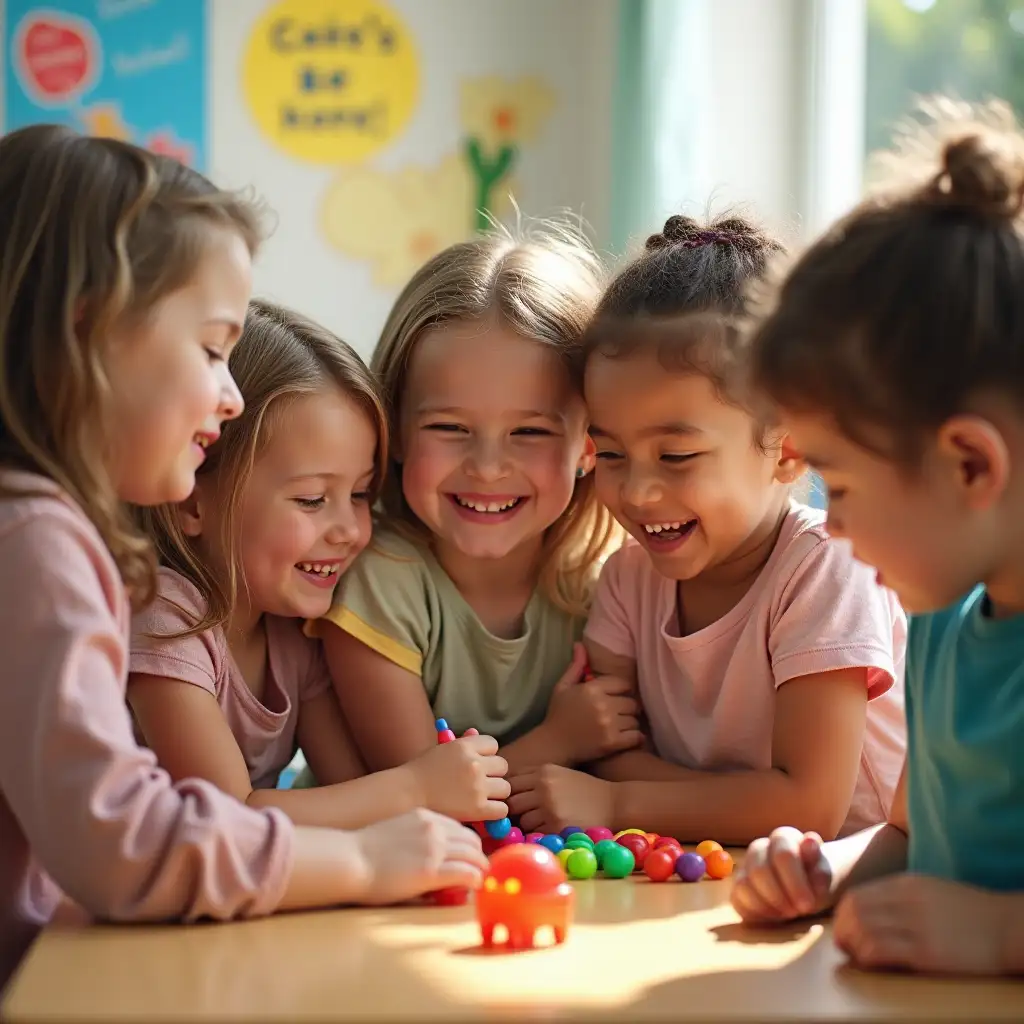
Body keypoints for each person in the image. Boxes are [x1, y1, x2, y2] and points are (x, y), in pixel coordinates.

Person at [0, 126, 486, 990]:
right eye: (212, 347)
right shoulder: (36, 544)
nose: (227, 399)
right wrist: (363, 863)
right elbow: (124, 843)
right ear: (91, 332)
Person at [731, 98, 1024, 976]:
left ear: (969, 465)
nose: (836, 523)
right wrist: (826, 871)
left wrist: (1002, 938)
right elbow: (904, 839)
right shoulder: (935, 626)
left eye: (843, 486)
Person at [509, 214, 906, 844]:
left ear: (787, 448)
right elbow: (605, 748)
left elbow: (810, 806)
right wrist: (634, 789)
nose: (636, 493)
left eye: (676, 457)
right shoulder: (626, 577)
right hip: (710, 870)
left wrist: (616, 804)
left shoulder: (827, 569)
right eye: (609, 454)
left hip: (850, 883)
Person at [130, 299, 509, 829]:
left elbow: (351, 791)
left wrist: (441, 787)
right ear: (193, 501)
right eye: (311, 499)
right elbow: (231, 819)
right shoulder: (164, 618)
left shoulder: (295, 635)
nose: (350, 530)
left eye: (360, 494)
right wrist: (419, 786)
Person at [305, 226, 630, 784]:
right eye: (450, 427)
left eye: (529, 432)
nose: (486, 467)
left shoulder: (607, 586)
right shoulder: (381, 582)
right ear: (395, 432)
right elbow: (421, 791)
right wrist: (560, 741)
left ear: (589, 445)